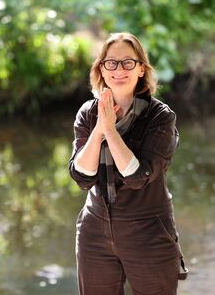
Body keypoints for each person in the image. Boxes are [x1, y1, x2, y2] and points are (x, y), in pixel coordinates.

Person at [69, 32, 187, 295]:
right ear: (101, 68)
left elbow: (138, 177)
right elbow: (82, 177)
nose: (118, 69)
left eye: (127, 62)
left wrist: (110, 132)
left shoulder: (160, 116)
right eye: (111, 62)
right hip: (95, 230)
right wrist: (99, 128)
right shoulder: (89, 113)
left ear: (141, 68)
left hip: (148, 230)